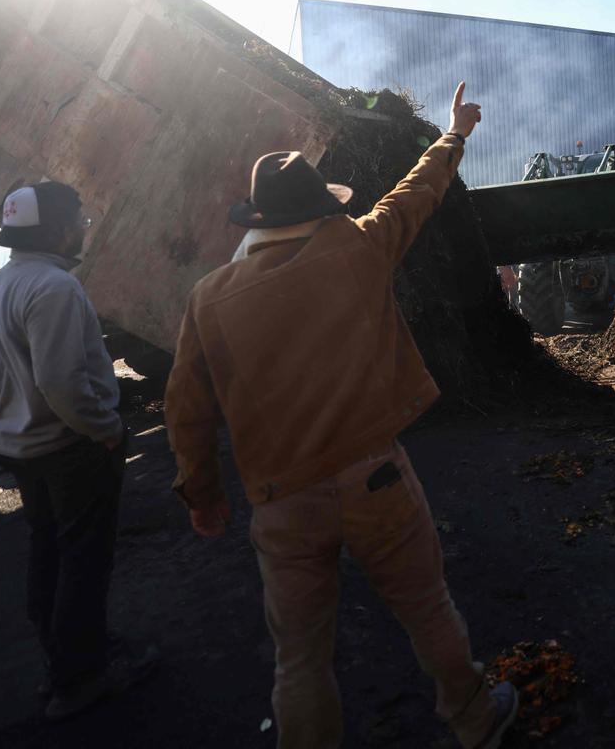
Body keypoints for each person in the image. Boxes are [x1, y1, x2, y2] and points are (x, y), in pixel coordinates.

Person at [165, 82, 517, 749]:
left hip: (282, 502)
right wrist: (456, 133)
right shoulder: (355, 248)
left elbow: (186, 410)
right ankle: (474, 717)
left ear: (258, 220)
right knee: (426, 607)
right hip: (374, 478)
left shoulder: (209, 298)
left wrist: (202, 495)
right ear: (317, 209)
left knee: (299, 657)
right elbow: (413, 196)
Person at [0, 180, 158, 721]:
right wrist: (106, 429)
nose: (83, 230)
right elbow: (63, 384)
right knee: (83, 562)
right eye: (79, 221)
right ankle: (80, 679)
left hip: (22, 448)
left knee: (49, 552)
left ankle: (64, 660)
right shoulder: (55, 288)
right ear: (56, 229)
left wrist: (12, 403)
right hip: (69, 448)